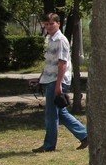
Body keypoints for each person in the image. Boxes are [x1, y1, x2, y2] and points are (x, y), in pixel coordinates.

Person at [30, 13, 88, 152]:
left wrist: (58, 85)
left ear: (58, 24)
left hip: (57, 81)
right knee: (60, 112)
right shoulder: (50, 39)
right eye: (47, 24)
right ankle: (85, 136)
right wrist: (40, 78)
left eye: (52, 23)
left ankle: (49, 145)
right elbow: (50, 63)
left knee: (51, 114)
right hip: (49, 79)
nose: (49, 26)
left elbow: (62, 63)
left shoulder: (61, 40)